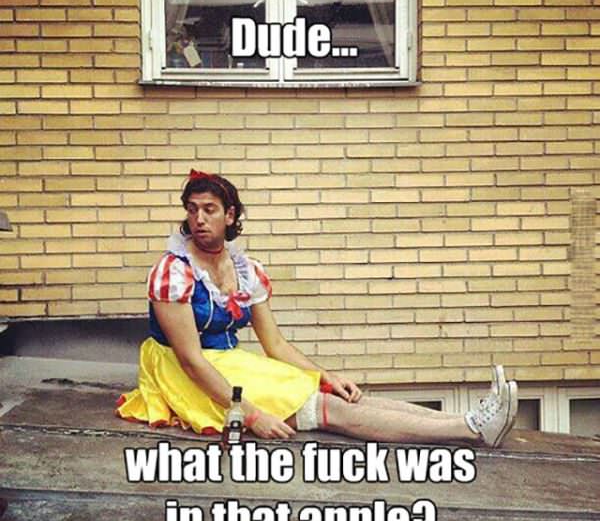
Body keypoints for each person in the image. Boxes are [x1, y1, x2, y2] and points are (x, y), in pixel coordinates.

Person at [115, 170, 518, 447]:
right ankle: (470, 431)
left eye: (209, 209)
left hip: (228, 362)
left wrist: (325, 375)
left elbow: (275, 344)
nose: (199, 219)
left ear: (230, 215)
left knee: (337, 396)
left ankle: (472, 419)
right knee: (327, 411)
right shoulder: (173, 272)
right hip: (183, 372)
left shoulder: (245, 269)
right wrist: (252, 415)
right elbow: (190, 360)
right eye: (192, 209)